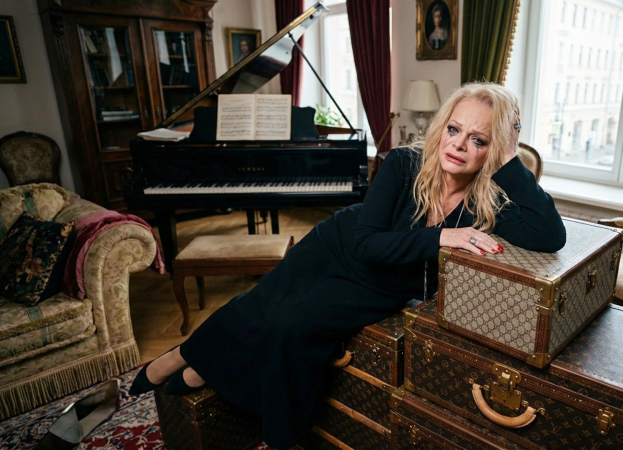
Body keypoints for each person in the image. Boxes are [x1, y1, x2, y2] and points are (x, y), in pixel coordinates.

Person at [128, 82, 567, 449]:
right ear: (441, 127)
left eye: (479, 140)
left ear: (493, 149)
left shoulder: (490, 201)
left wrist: (509, 158)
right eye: (454, 129)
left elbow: (551, 236)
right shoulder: (404, 163)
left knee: (290, 325)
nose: (458, 144)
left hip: (381, 285)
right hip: (340, 245)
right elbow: (367, 243)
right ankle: (184, 356)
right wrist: (440, 237)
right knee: (264, 299)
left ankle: (261, 418)